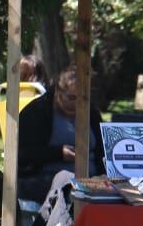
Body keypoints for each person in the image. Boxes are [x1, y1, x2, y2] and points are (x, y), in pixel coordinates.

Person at [17, 65, 103, 203]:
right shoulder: (37, 112)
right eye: (71, 97)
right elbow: (21, 154)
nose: (76, 104)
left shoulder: (91, 113)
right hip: (46, 181)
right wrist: (59, 153)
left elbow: (102, 151)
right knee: (75, 195)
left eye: (83, 98)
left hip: (91, 180)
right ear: (58, 90)